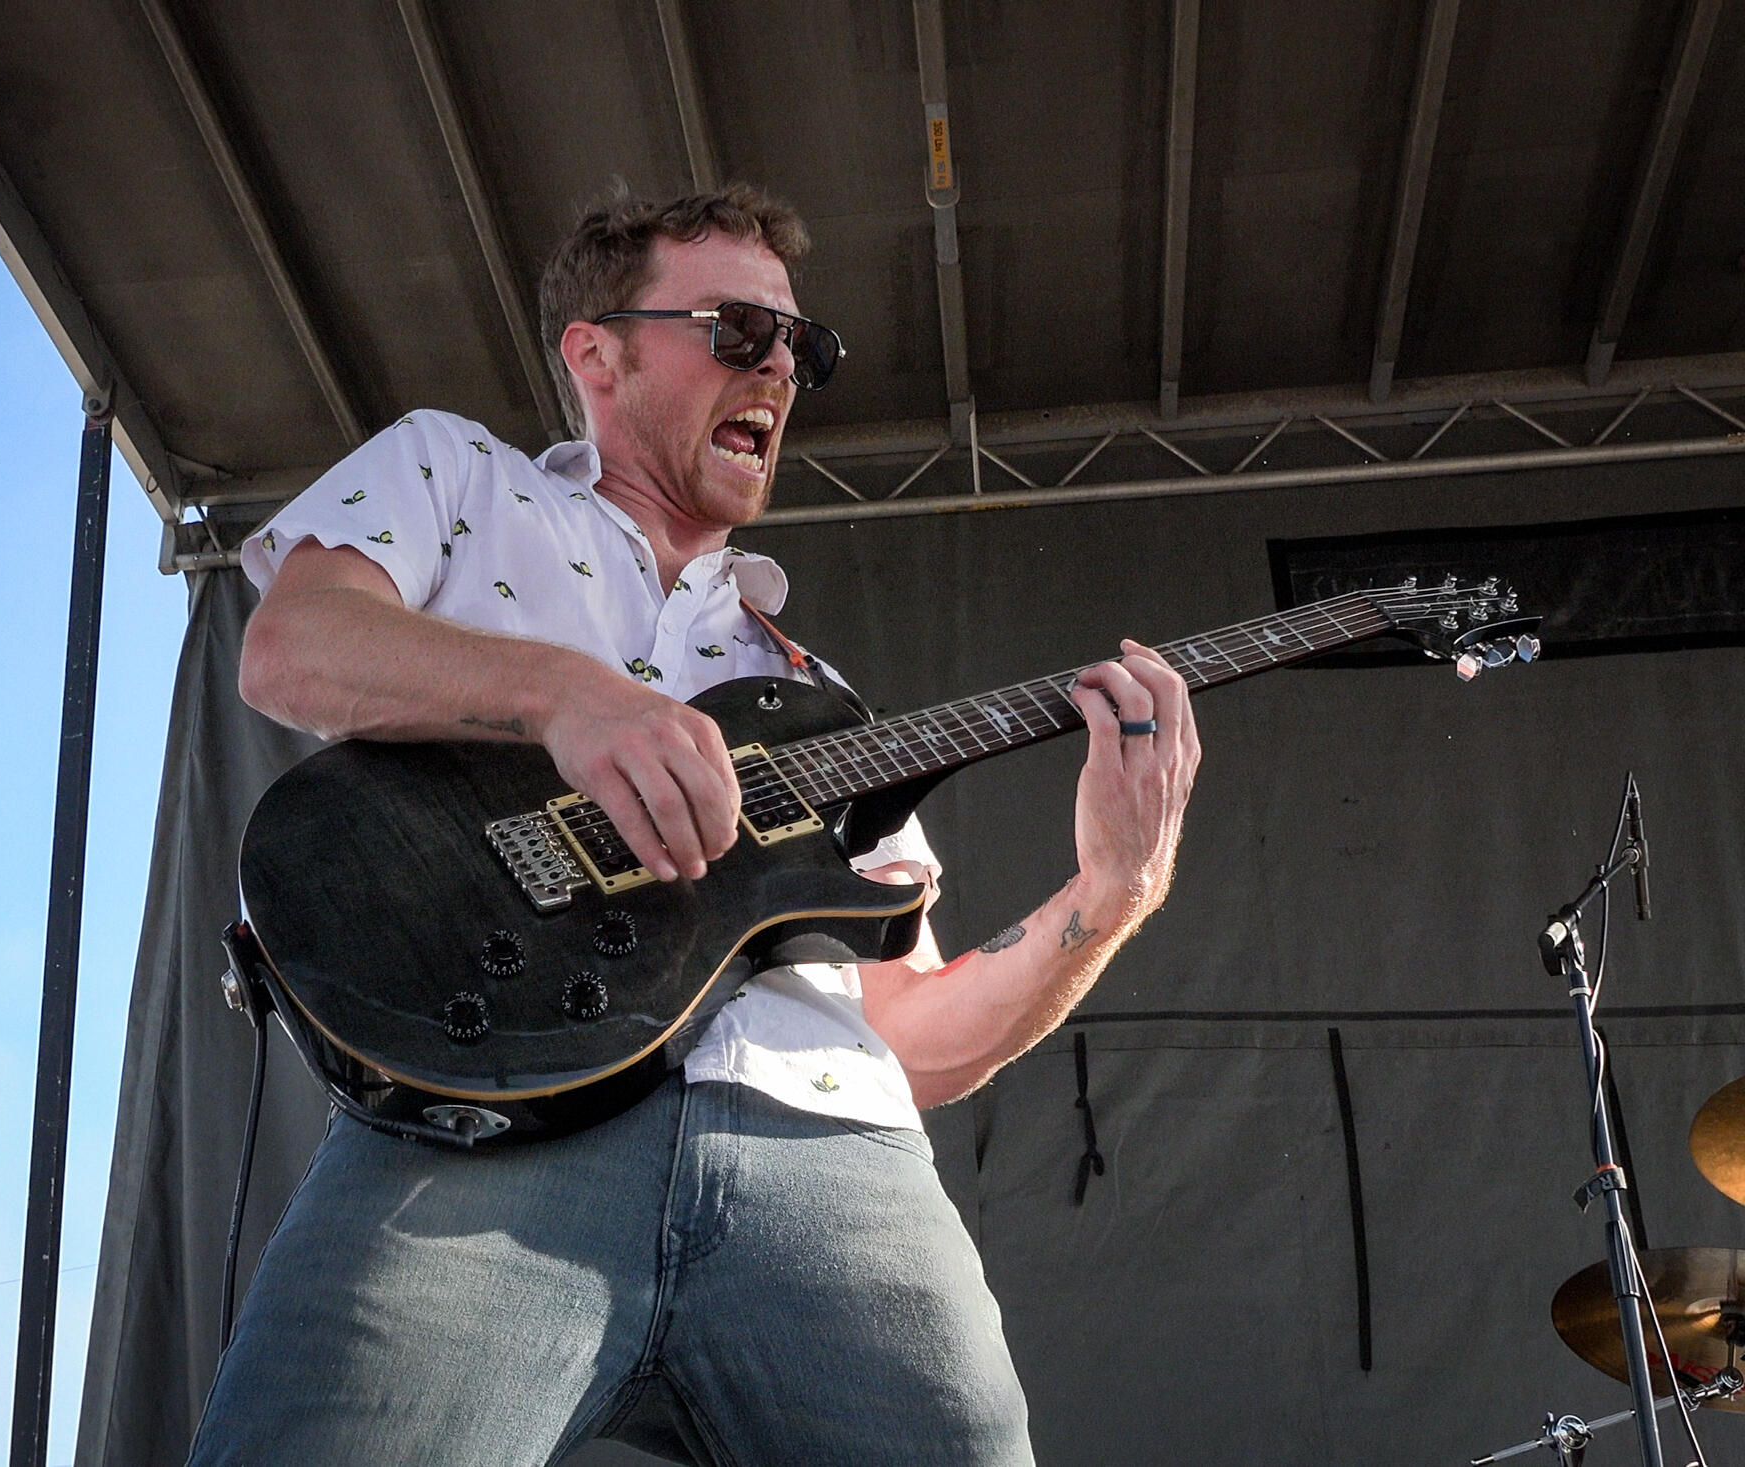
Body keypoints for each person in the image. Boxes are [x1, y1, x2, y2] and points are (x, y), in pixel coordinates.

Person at [189, 185, 1199, 1466]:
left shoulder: (815, 695)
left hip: (835, 1156)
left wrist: (1110, 896)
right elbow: (292, 648)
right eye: (737, 328)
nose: (782, 363)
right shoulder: (456, 472)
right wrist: (563, 693)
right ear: (595, 351)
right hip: (481, 1133)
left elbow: (920, 1036)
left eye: (801, 346)